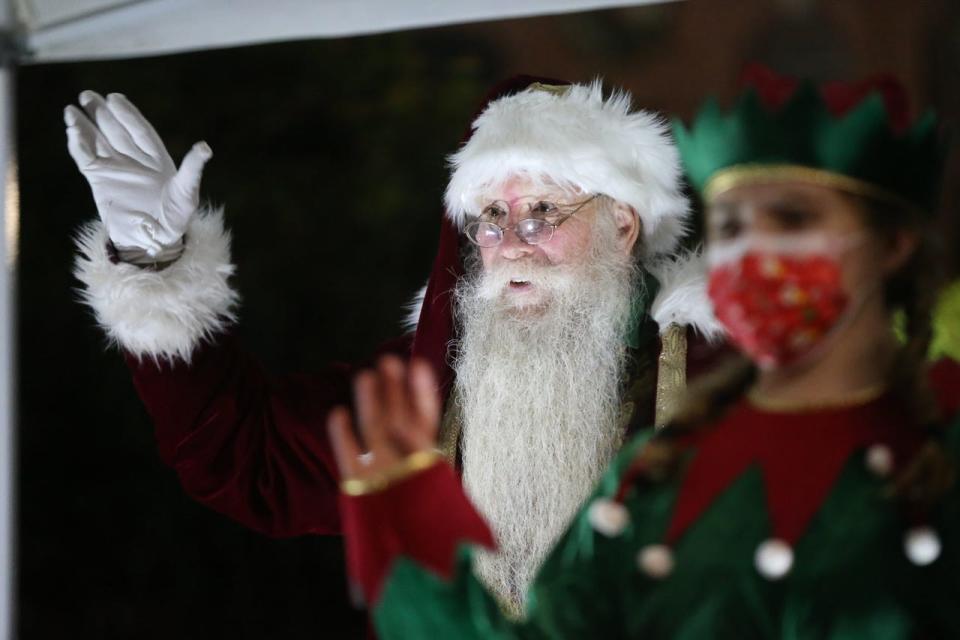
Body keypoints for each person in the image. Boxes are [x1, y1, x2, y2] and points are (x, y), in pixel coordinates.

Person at [329, 66, 960, 637]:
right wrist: (411, 540)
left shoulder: (941, 446)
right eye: (732, 227)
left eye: (790, 220)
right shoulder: (654, 475)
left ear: (893, 245)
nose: (751, 255)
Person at [66, 76, 721, 610]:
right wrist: (154, 264)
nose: (514, 242)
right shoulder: (423, 399)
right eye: (491, 217)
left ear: (624, 223)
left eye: (543, 212)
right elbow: (242, 452)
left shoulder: (727, 376)